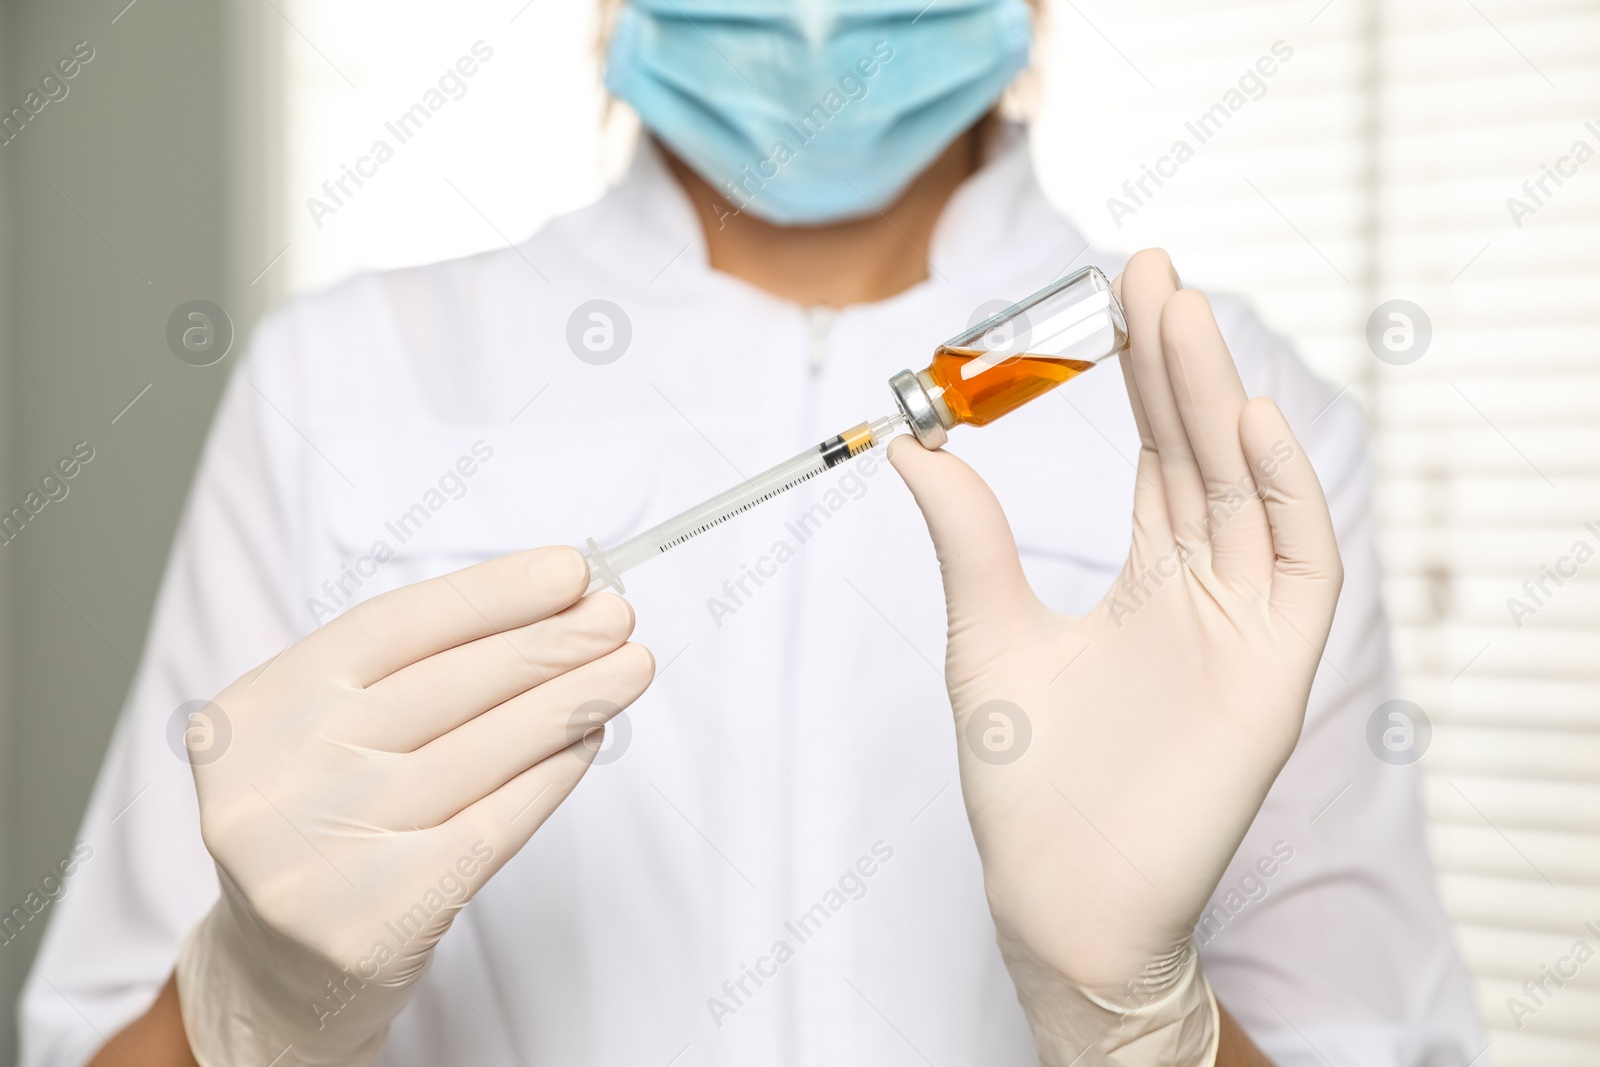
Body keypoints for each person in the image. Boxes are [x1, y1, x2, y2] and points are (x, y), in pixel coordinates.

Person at [21, 1, 1483, 1064]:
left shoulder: (1230, 426)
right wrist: (254, 1009)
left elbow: (1370, 1035)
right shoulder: (348, 381)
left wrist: (1143, 1025)